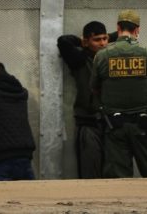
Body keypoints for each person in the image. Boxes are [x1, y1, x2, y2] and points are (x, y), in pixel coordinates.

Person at [91, 10, 147, 178]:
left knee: (117, 177)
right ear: (137, 30)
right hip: (143, 123)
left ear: (118, 27)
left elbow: (95, 87)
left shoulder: (102, 56)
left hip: (114, 124)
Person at [57, 21, 110, 179]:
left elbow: (119, 36)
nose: (102, 43)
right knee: (90, 172)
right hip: (88, 123)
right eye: (97, 40)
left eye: (105, 39)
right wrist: (82, 42)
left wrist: (104, 38)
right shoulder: (80, 59)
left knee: (112, 171)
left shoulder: (111, 57)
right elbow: (63, 41)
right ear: (86, 42)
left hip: (110, 124)